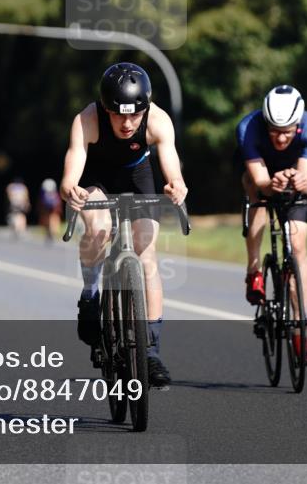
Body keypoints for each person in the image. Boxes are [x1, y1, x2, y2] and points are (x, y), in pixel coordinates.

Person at [60, 62, 189, 387]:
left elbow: (170, 158)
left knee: (146, 255)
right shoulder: (87, 119)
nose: (128, 122)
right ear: (106, 107)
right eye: (119, 114)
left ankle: (151, 351)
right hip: (96, 176)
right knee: (99, 227)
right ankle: (90, 293)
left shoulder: (158, 119)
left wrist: (176, 183)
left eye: (135, 115)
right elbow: (75, 159)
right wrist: (69, 188)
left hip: (136, 174)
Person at [235, 85, 307, 366]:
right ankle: (254, 269)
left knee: (298, 249)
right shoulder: (248, 127)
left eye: (288, 131)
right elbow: (260, 180)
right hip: (261, 180)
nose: (281, 137)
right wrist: (271, 184)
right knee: (256, 195)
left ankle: (300, 330)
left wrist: (298, 181)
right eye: (274, 130)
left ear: (298, 124)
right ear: (265, 121)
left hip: (294, 182)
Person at [37, 178, 63, 243]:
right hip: (52, 208)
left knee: (48, 219)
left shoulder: (44, 193)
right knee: (52, 218)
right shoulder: (54, 193)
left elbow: (41, 202)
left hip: (48, 208)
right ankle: (51, 232)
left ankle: (50, 232)